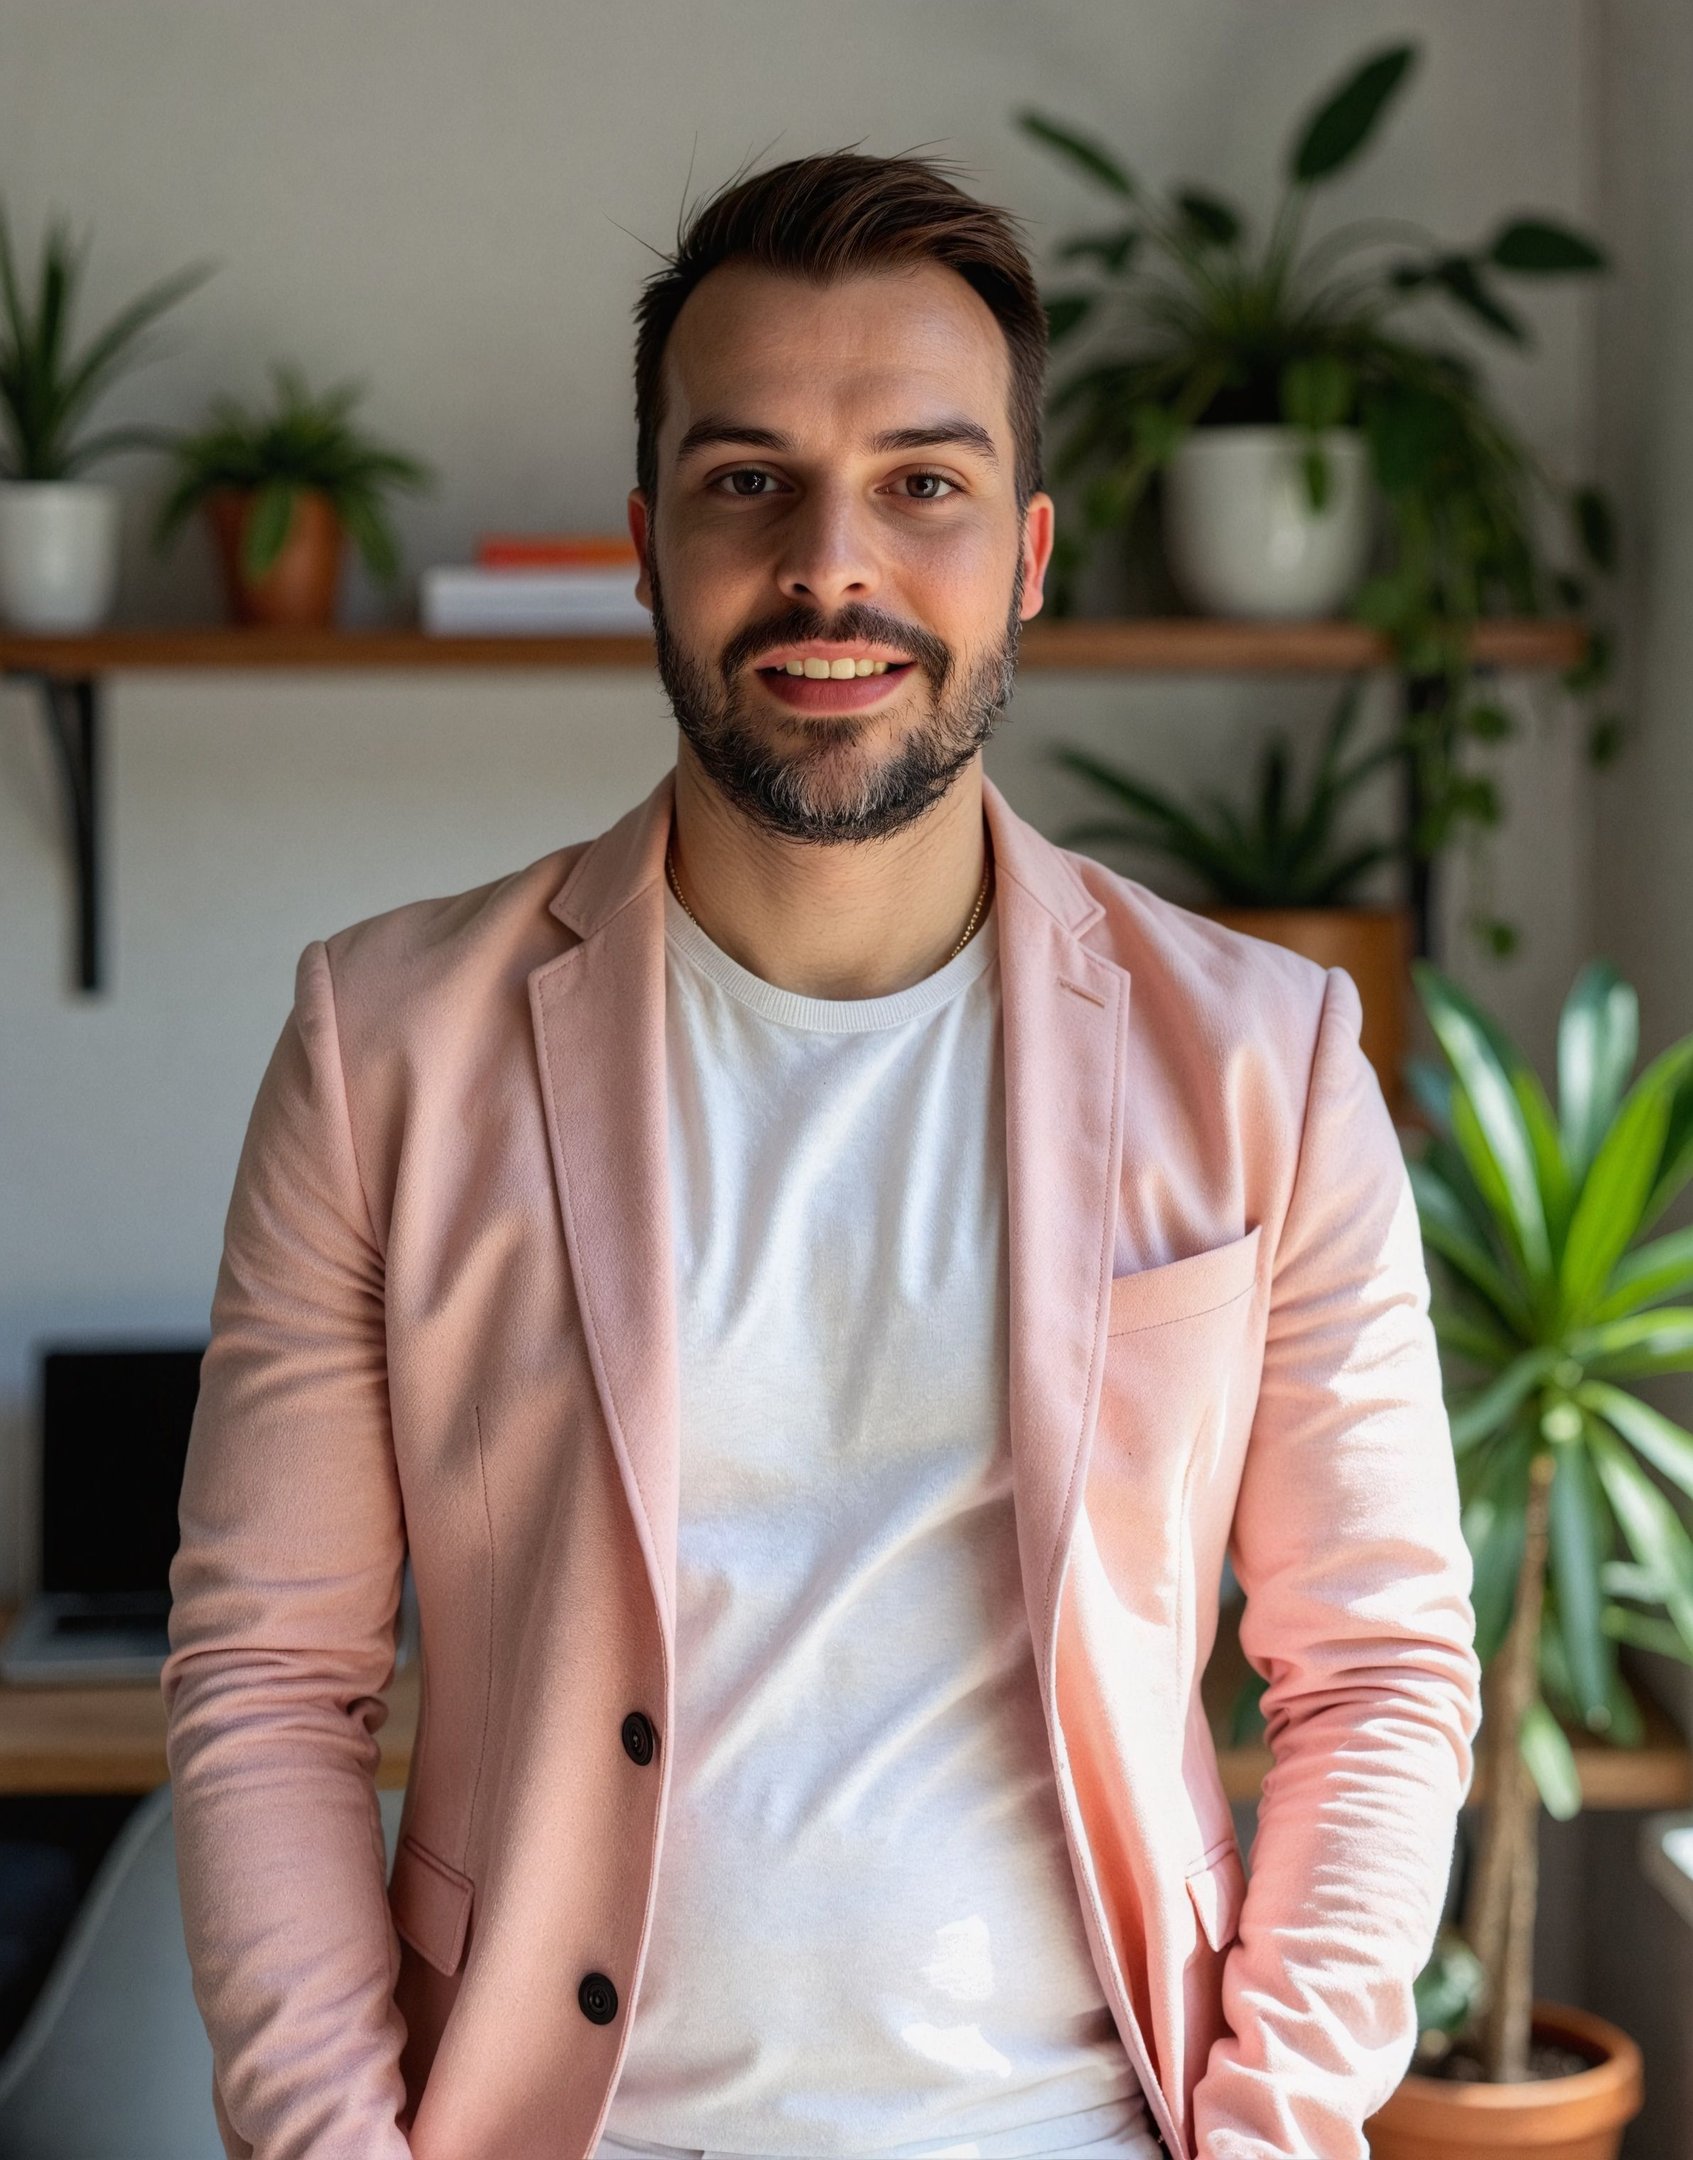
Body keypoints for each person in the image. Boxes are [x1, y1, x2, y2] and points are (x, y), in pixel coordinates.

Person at [162, 146, 1483, 2160]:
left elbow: (1378, 1673)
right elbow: (267, 1684)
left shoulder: (1269, 1062)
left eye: (923, 485)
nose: (830, 566)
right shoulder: (381, 1050)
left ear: (1028, 551)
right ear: (646, 539)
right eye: (746, 479)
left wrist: (1271, 2133)